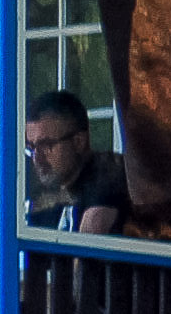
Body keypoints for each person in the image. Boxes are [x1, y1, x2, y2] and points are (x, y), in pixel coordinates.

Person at [24, 92, 128, 234]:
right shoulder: (38, 196)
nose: (37, 158)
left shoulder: (111, 181)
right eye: (31, 147)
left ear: (79, 142)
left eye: (47, 145)